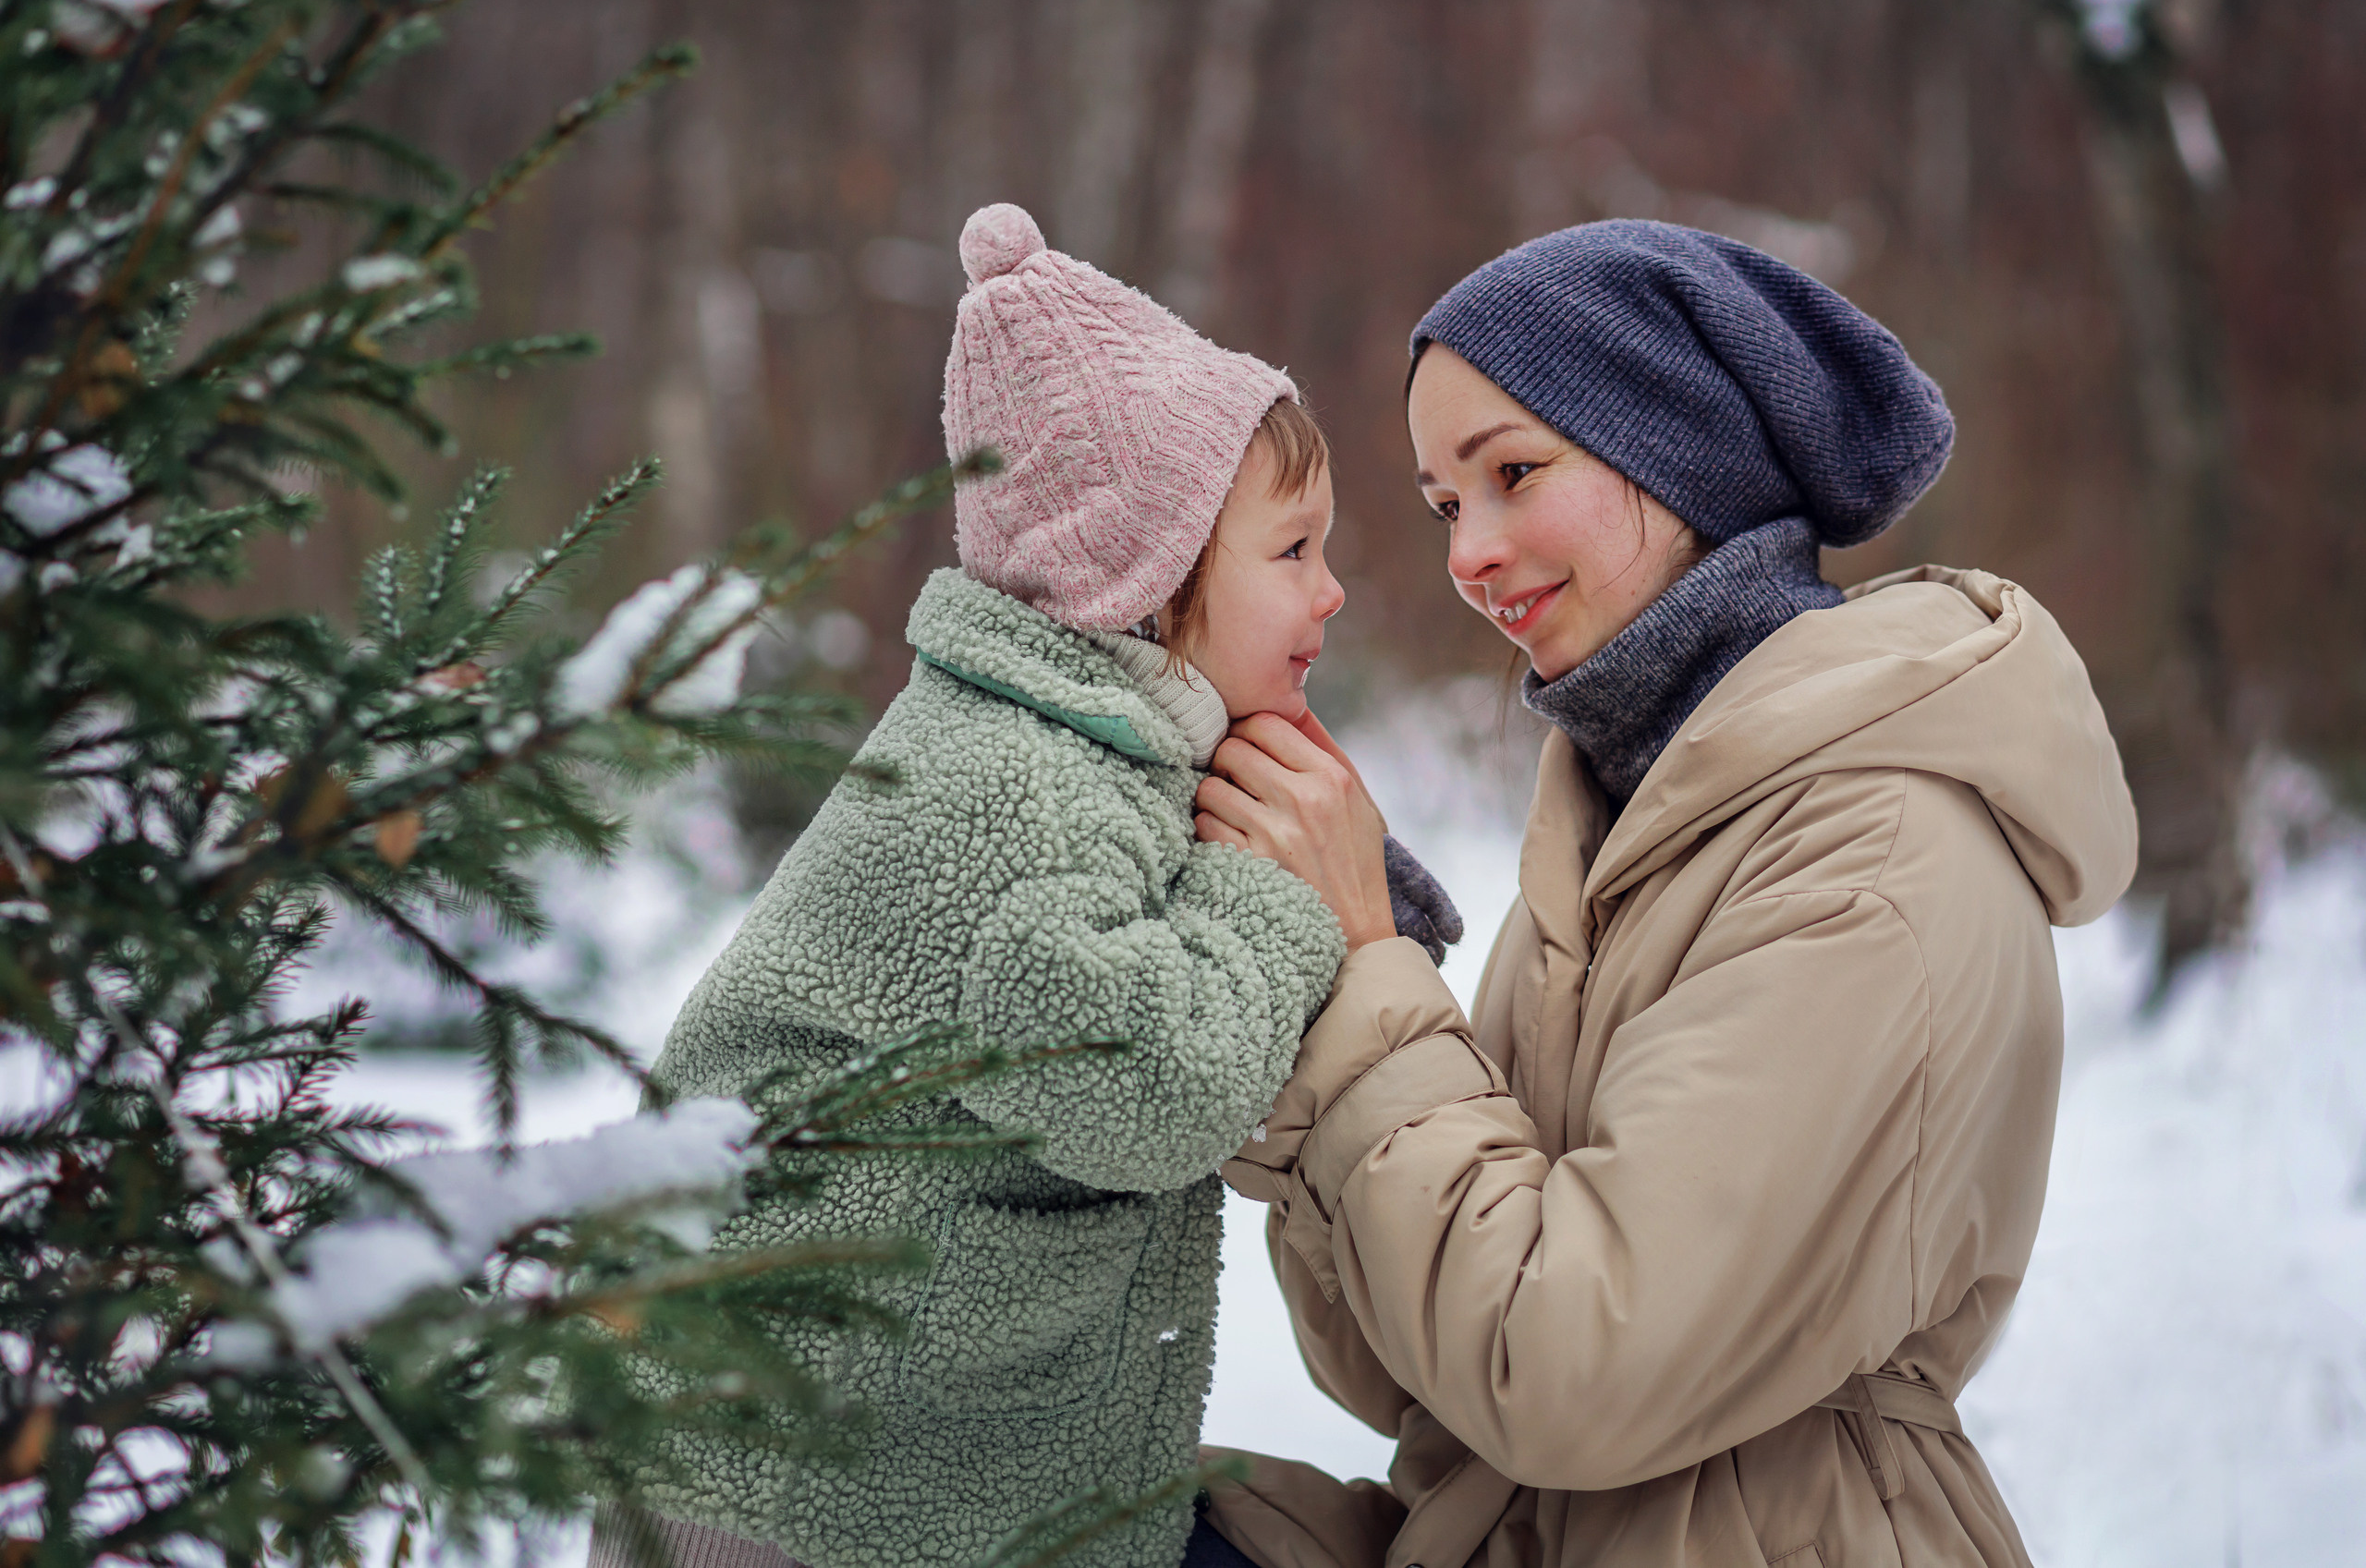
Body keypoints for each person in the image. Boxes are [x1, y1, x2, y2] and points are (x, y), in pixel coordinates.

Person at [1196, 221, 2140, 1568]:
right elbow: (1411, 1380)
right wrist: (1320, 979)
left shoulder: (1869, 848)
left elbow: (1569, 1370)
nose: (1470, 552)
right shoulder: (1618, 828)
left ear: (1677, 445)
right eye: (1446, 506)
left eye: (1515, 473)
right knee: (1017, 1501)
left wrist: (1368, 982)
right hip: (1521, 1529)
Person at [589, 203, 1454, 1568]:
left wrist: (1359, 893)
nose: (1334, 592)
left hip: (900, 1463)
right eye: (1293, 552)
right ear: (1147, 584)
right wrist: (1279, 902)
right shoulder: (1014, 795)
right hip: (813, 1497)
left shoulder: (1064, 747)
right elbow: (1145, 1087)